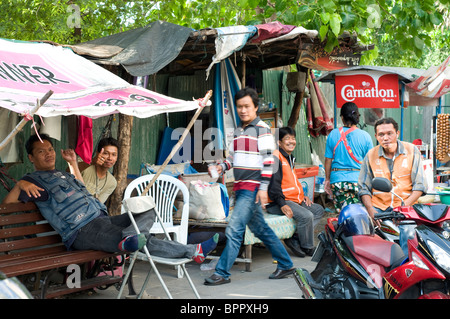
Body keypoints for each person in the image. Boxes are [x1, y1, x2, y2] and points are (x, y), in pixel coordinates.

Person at [2, 134, 218, 263]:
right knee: (137, 240)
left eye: (50, 149)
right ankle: (193, 251)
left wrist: (73, 165)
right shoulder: (34, 181)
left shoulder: (63, 174)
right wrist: (20, 184)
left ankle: (130, 238)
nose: (48, 153)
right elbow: (6, 206)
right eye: (41, 152)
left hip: (101, 219)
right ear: (31, 158)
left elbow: (83, 189)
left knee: (148, 210)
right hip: (81, 229)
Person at [204, 87, 294, 286]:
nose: (243, 110)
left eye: (247, 106)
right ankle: (286, 264)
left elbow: (269, 161)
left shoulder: (262, 130)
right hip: (241, 188)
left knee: (234, 229)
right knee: (261, 230)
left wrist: (263, 188)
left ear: (255, 107)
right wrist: (221, 167)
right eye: (239, 107)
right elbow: (233, 159)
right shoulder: (239, 131)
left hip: (252, 188)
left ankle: (222, 273)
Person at [358, 117, 427, 255]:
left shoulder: (412, 151)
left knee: (409, 233)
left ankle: (405, 268)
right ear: (376, 136)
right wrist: (370, 209)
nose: (386, 138)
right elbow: (363, 188)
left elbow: (420, 186)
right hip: (379, 207)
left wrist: (402, 207)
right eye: (381, 135)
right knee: (358, 228)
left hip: (406, 206)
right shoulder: (370, 155)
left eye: (389, 133)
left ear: (397, 133)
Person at [267, 126, 324, 257]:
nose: (292, 141)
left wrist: (303, 196)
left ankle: (296, 237)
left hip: (293, 200)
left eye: (293, 138)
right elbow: (273, 186)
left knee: (318, 210)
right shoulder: (276, 158)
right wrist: (282, 204)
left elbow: (293, 182)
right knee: (307, 216)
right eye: (287, 138)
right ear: (279, 142)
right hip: (278, 202)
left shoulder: (289, 157)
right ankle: (307, 246)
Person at [324, 102, 373, 213]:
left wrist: (327, 179)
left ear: (342, 117)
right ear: (357, 116)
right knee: (360, 214)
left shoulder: (333, 134)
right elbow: (370, 162)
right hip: (359, 181)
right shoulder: (365, 136)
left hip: (338, 181)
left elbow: (328, 159)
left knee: (344, 214)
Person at [81, 137, 119, 203]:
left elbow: (98, 205)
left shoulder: (112, 182)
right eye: (106, 153)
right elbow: (69, 169)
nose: (110, 158)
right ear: (97, 154)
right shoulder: (85, 167)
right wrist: (93, 161)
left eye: (114, 155)